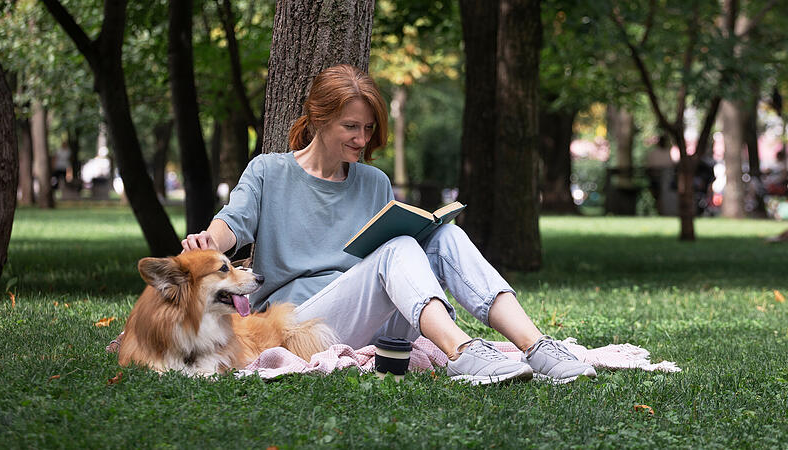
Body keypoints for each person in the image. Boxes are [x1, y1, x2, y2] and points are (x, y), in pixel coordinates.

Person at [182, 64, 595, 384]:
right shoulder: (269, 171)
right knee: (396, 249)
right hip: (302, 323)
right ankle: (462, 352)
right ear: (319, 119)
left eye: (368, 128)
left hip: (382, 317)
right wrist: (208, 242)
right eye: (351, 127)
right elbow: (231, 224)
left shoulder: (373, 181)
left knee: (446, 233)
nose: (362, 139)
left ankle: (537, 345)